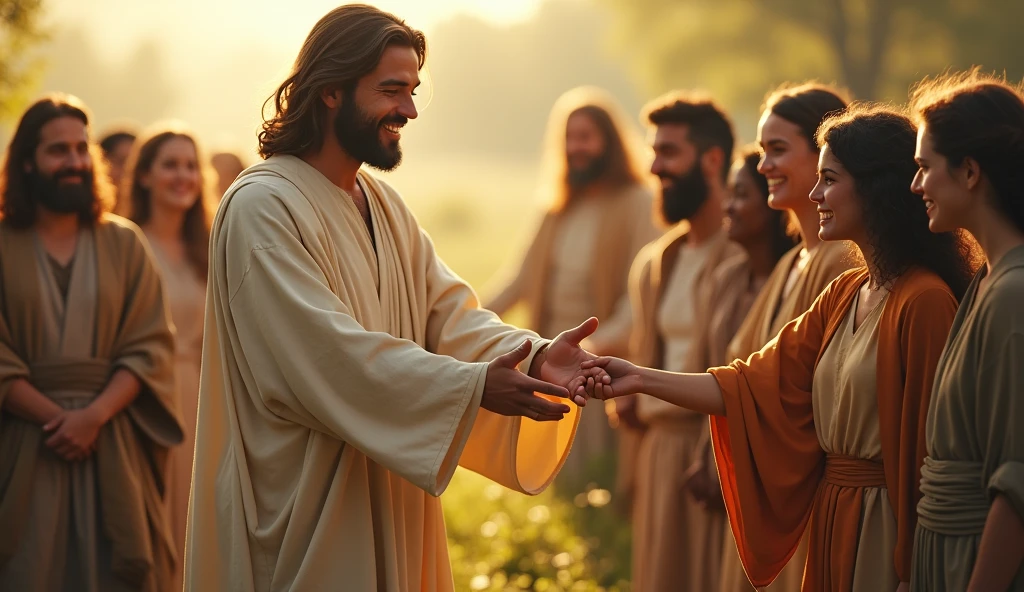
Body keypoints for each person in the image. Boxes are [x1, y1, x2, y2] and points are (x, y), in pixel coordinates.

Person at [184, 6, 597, 591]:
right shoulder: (261, 206)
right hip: (299, 505)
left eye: (412, 91)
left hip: (388, 485)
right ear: (330, 91)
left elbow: (449, 315)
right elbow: (325, 352)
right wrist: (475, 386)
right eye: (391, 90)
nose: (408, 110)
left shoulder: (382, 205)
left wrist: (533, 356)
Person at [576, 105, 980, 592]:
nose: (815, 194)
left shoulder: (925, 301)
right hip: (832, 520)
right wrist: (638, 376)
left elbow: (927, 455)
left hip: (885, 526)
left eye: (829, 179)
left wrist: (912, 567)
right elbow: (748, 384)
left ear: (874, 187)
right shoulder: (846, 292)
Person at [0, 95, 182, 591]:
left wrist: (92, 416)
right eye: (58, 151)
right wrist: (58, 420)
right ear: (28, 161)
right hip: (22, 447)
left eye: (82, 149)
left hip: (112, 442)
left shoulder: (123, 242)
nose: (75, 162)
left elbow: (150, 346)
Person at [715, 82, 859, 592]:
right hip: (767, 489)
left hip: (797, 497)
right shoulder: (792, 262)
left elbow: (805, 394)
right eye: (762, 151)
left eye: (777, 150)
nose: (763, 166)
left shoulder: (838, 261)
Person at [483, 86, 656, 486]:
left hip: (601, 365)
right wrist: (459, 321)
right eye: (569, 137)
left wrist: (590, 350)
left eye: (586, 137)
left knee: (601, 481)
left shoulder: (637, 203)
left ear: (608, 142)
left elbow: (640, 300)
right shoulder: (555, 208)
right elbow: (518, 281)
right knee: (556, 481)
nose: (575, 147)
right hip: (553, 360)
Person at [618, 91, 742, 592]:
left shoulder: (745, 256)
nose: (654, 167)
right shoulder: (656, 260)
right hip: (660, 452)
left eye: (669, 152)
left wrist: (718, 458)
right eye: (655, 151)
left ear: (712, 159)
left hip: (714, 454)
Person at [908, 71, 1024, 591]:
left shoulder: (1013, 295)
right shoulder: (985, 282)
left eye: (924, 168)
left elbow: (1017, 481)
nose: (916, 186)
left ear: (970, 171)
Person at [677, 148, 797, 591]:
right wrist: (703, 458)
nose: (726, 207)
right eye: (726, 194)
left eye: (740, 195)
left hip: (766, 479)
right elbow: (710, 371)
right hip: (718, 463)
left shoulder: (801, 278)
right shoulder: (726, 280)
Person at [121, 124, 214, 592]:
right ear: (144, 177)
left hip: (206, 400)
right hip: (146, 397)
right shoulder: (125, 244)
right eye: (170, 165)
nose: (183, 176)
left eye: (190, 165)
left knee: (202, 524)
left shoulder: (211, 247)